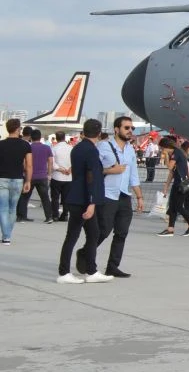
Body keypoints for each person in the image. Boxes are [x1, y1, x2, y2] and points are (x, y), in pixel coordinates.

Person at [58, 118, 109, 283]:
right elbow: (91, 177)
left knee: (92, 234)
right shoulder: (91, 150)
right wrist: (92, 203)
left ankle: (91, 270)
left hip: (76, 196)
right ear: (99, 133)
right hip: (84, 200)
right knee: (74, 235)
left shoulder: (77, 148)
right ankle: (64, 272)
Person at [95, 116, 144, 277]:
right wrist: (110, 170)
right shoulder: (104, 146)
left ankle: (112, 266)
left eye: (132, 128)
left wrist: (139, 197)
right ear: (116, 129)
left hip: (124, 196)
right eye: (126, 128)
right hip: (107, 194)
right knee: (104, 230)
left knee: (122, 232)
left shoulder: (130, 149)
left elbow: (133, 175)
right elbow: (93, 169)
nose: (130, 131)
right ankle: (86, 255)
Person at [0, 118, 31, 243]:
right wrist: (28, 181)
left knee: (3, 208)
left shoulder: (1, 144)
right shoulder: (25, 145)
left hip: (2, 179)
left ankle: (6, 237)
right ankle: (7, 235)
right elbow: (29, 165)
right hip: (18, 179)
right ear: (18, 129)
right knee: (13, 209)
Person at [160, 139, 189, 236]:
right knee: (172, 206)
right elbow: (172, 171)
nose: (161, 150)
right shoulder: (177, 153)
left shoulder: (176, 153)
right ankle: (170, 229)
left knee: (178, 206)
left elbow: (169, 167)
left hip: (180, 183)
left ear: (166, 147)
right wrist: (167, 186)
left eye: (162, 148)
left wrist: (166, 156)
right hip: (177, 182)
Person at [28, 129, 54, 222]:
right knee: (45, 198)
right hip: (42, 176)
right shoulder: (47, 148)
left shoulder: (28, 147)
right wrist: (49, 174)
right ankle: (49, 217)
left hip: (30, 176)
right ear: (40, 137)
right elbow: (50, 162)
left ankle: (21, 216)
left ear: (31, 137)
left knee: (25, 197)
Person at [50, 133, 73, 225]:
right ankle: (65, 215)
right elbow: (75, 161)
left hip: (57, 176)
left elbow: (52, 163)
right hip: (69, 177)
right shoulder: (71, 148)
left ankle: (55, 215)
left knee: (55, 197)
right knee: (66, 197)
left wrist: (60, 169)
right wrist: (70, 169)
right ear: (64, 138)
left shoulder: (54, 148)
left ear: (56, 138)